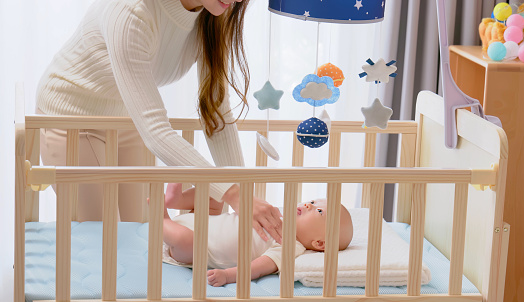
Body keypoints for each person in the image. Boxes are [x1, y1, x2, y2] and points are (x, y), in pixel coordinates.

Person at [35, 0, 282, 241]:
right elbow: (155, 130)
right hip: (73, 117)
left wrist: (242, 195)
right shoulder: (131, 11)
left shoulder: (214, 13)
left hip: (127, 118)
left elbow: (215, 112)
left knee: (141, 235)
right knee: (102, 240)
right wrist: (233, 194)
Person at [161, 183, 354, 287]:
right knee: (217, 193)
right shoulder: (275, 215)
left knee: (187, 241)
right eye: (312, 201)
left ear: (319, 243)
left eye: (319, 211)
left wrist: (228, 276)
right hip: (204, 219)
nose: (308, 205)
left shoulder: (289, 246)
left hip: (193, 247)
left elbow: (257, 268)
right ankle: (177, 200)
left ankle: (162, 220)